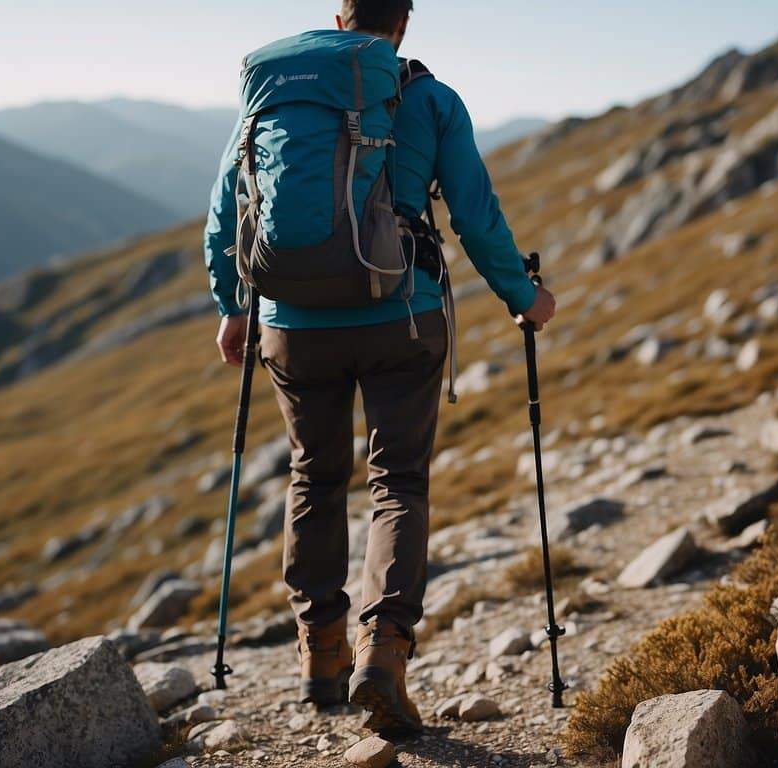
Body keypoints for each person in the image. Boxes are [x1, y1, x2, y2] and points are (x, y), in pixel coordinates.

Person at [202, 0, 556, 735]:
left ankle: (318, 653)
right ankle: (384, 653)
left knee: (314, 475)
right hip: (402, 318)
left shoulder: (279, 92)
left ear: (338, 19)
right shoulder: (428, 97)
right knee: (397, 480)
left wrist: (234, 305)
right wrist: (523, 297)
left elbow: (227, 205)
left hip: (292, 325)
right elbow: (475, 216)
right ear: (403, 24)